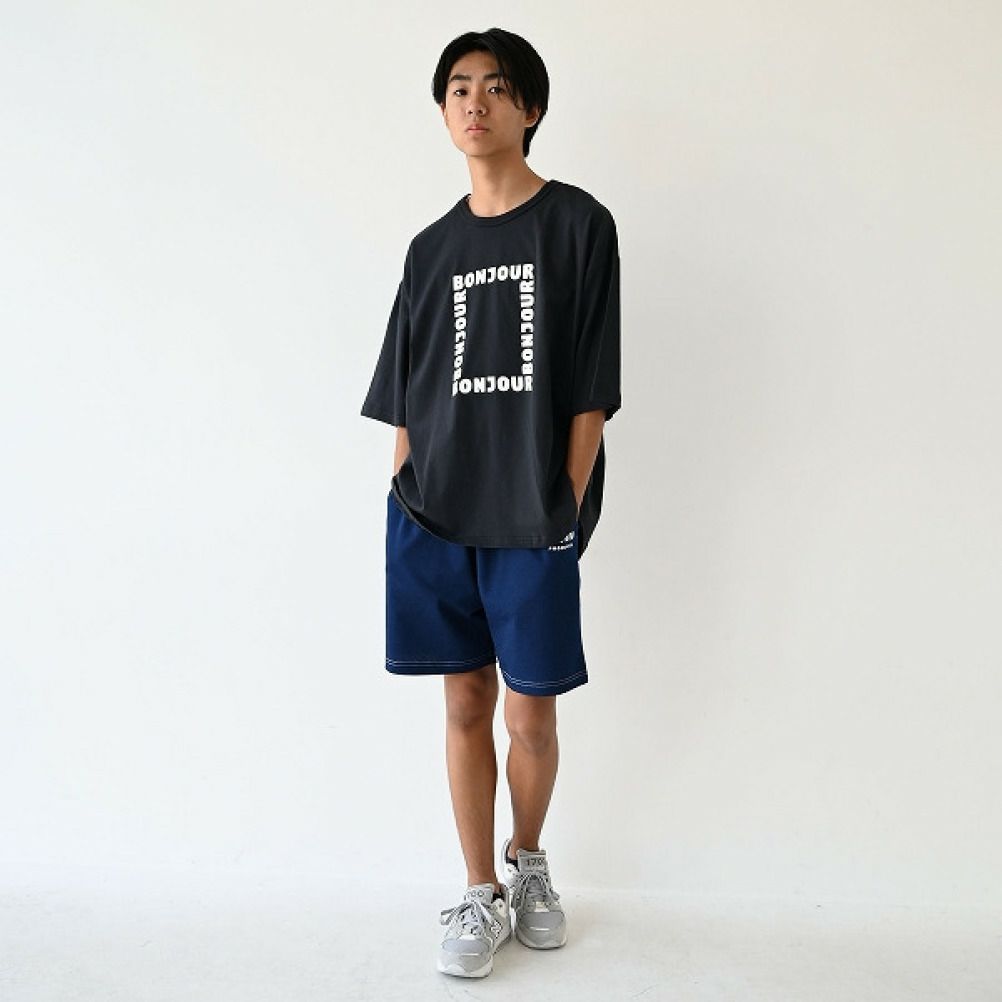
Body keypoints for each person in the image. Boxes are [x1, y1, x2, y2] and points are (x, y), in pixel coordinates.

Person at [360, 27, 621, 979]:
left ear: (531, 108)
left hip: (533, 515)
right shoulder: (430, 249)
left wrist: (566, 506)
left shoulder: (579, 224)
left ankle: (529, 862)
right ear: (444, 112)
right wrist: (402, 491)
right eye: (459, 88)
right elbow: (405, 391)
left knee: (532, 714)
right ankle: (479, 889)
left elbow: (590, 386)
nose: (476, 102)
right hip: (433, 511)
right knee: (464, 702)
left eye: (498, 87)